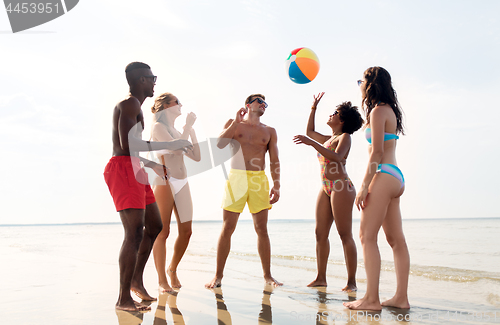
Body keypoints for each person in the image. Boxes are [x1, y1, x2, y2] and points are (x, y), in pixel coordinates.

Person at [103, 62, 192, 312]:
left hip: (134, 167)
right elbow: (128, 145)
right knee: (134, 233)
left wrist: (151, 165)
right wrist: (169, 148)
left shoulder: (134, 106)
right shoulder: (129, 104)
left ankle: (135, 281)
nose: (155, 82)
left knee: (154, 225)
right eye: (152, 78)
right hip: (122, 169)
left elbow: (130, 148)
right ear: (142, 80)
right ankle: (123, 299)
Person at [343, 66, 410, 310]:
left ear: (369, 84)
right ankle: (401, 299)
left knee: (366, 237)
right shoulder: (389, 110)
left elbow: (378, 153)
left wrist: (363, 187)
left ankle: (371, 299)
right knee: (396, 241)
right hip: (396, 177)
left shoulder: (378, 111)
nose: (359, 83)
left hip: (382, 174)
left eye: (361, 80)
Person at [205, 94, 282, 288]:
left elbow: (274, 160)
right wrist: (235, 123)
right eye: (259, 100)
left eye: (265, 102)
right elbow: (219, 145)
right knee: (228, 228)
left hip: (259, 180)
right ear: (247, 105)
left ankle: (267, 276)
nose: (263, 104)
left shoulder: (270, 131)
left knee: (261, 229)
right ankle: (218, 276)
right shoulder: (234, 124)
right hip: (237, 178)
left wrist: (277, 184)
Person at [293, 92, 363, 291]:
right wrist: (313, 107)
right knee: (320, 233)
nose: (331, 115)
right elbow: (309, 131)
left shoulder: (345, 137)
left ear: (342, 120)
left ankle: (351, 282)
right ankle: (321, 278)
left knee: (344, 234)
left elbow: (338, 158)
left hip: (341, 186)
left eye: (334, 113)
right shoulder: (327, 138)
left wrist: (311, 143)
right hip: (326, 188)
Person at [150, 93, 201, 292]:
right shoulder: (158, 127)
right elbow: (177, 149)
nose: (181, 105)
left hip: (182, 182)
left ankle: (172, 269)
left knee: (186, 232)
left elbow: (196, 156)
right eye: (177, 102)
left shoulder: (177, 130)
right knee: (163, 233)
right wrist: (187, 128)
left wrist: (192, 132)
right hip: (165, 182)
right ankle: (162, 280)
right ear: (165, 106)